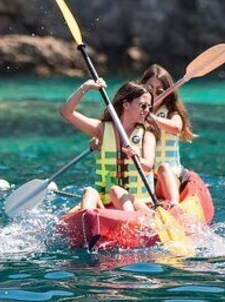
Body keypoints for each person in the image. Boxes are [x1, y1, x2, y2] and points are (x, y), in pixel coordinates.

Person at [58, 79, 158, 212]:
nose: (147, 111)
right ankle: (88, 224)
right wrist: (86, 87)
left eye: (149, 107)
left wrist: (136, 156)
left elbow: (148, 167)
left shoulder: (147, 134)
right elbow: (66, 113)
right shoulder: (102, 129)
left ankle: (129, 222)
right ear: (126, 105)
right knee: (89, 192)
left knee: (116, 190)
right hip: (107, 204)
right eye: (142, 106)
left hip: (139, 204)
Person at [139, 64, 195, 206]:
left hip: (170, 176)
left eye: (159, 91)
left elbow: (176, 127)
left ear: (167, 93)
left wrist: (153, 118)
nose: (153, 94)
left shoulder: (171, 113)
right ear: (141, 87)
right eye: (149, 88)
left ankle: (173, 206)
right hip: (145, 180)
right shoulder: (133, 113)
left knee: (163, 167)